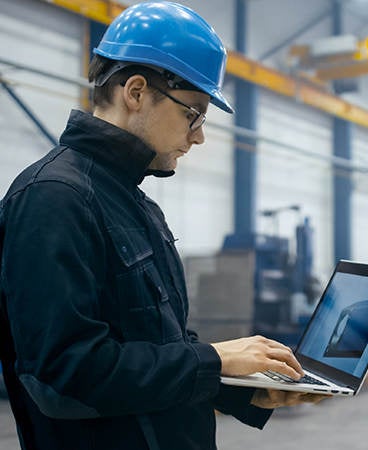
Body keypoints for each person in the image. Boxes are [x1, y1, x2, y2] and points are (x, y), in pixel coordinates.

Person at [0, 2, 325, 449]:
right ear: (135, 92)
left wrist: (245, 390)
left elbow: (161, 345)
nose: (199, 135)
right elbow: (65, 374)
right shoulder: (54, 198)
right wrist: (214, 359)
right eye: (193, 112)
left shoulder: (136, 204)